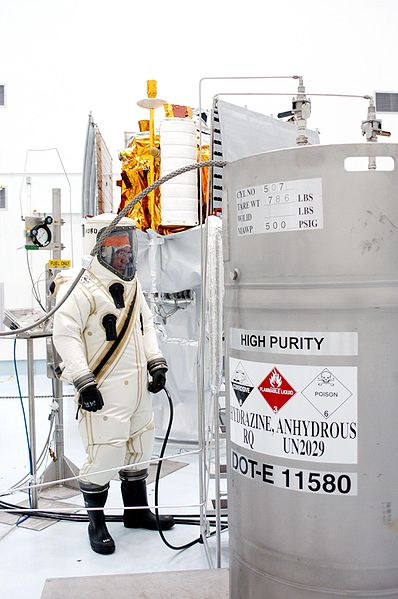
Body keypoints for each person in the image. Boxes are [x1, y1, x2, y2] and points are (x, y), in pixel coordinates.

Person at [52, 214, 174, 555]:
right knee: (105, 454)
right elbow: (66, 335)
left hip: (136, 387)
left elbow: (145, 325)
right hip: (104, 389)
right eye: (115, 247)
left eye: (127, 246)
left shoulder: (131, 286)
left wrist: (156, 362)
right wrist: (83, 381)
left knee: (139, 447)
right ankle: (97, 524)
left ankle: (136, 513)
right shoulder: (79, 287)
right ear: (98, 248)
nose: (124, 254)